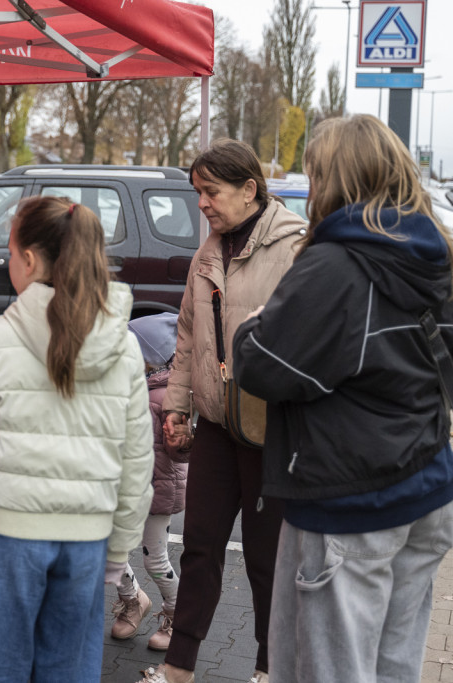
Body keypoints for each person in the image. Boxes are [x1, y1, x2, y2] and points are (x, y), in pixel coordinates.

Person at [232, 114, 453, 683]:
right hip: (426, 484)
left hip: (350, 496)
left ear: (332, 179)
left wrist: (250, 327)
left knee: (333, 670)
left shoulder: (337, 263)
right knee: (395, 664)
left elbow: (265, 366)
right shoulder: (437, 253)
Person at [0, 195, 155, 681]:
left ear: (30, 260)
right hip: (87, 536)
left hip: (7, 531)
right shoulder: (122, 346)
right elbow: (137, 459)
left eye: (11, 252)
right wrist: (119, 549)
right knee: (69, 669)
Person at [138, 139, 306, 683]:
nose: (203, 204)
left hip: (270, 430)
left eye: (210, 192)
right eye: (197, 193)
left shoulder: (296, 246)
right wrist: (180, 407)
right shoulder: (208, 251)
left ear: (249, 189)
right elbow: (188, 338)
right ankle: (178, 667)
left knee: (266, 561)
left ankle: (267, 667)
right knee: (201, 548)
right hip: (213, 424)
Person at [111, 312, 189, 651]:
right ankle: (133, 600)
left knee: (155, 559)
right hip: (124, 489)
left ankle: (176, 615)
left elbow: (182, 452)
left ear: (153, 358)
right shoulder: (130, 388)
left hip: (158, 491)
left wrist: (181, 440)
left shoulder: (169, 396)